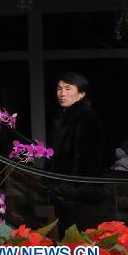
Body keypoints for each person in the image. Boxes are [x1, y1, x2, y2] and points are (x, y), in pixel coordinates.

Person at [47, 72, 107, 234]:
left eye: (68, 88)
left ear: (81, 94)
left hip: (78, 199)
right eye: (59, 89)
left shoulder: (86, 119)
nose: (62, 93)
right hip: (64, 195)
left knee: (80, 244)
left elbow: (88, 162)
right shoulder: (63, 117)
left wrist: (72, 191)